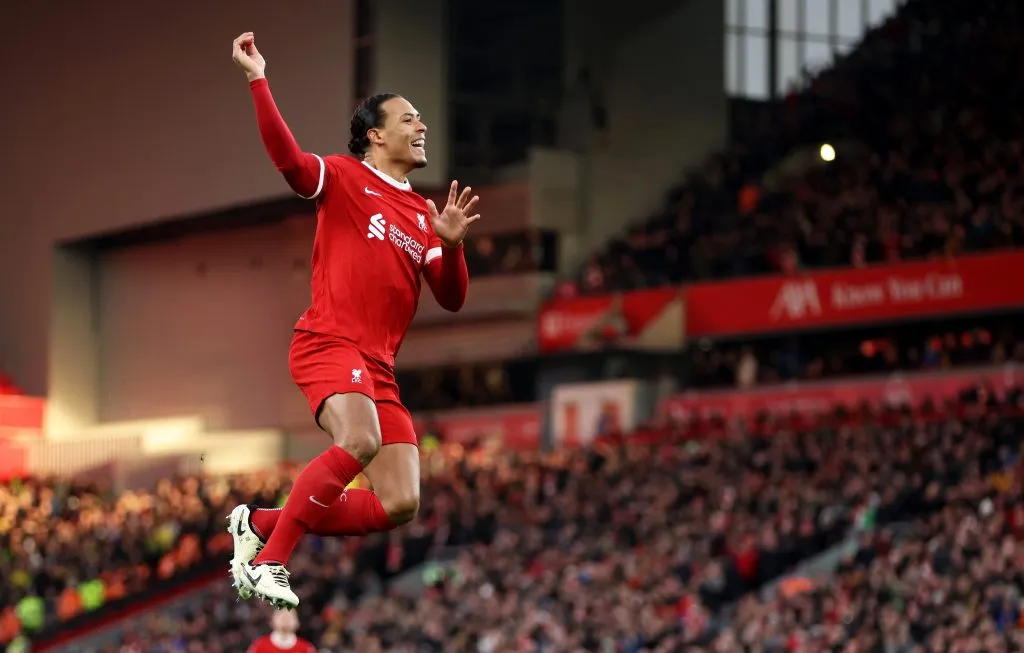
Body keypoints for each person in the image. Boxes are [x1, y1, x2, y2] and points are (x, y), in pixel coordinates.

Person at [226, 32, 481, 608]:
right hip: (329, 341)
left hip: (379, 368)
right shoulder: (343, 176)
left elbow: (452, 297)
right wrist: (258, 80)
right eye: (409, 118)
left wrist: (453, 246)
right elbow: (292, 165)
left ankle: (259, 522)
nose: (422, 127)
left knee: (400, 502)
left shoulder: (422, 214)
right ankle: (270, 560)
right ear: (376, 134)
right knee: (360, 440)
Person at [247, 609, 316, 653]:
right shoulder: (259, 646)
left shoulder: (306, 649)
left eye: (290, 616)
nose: (286, 618)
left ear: (297, 623)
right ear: (271, 621)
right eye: (281, 615)